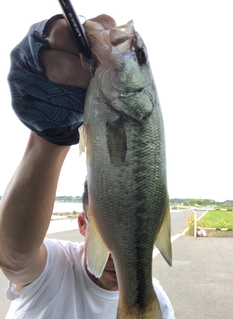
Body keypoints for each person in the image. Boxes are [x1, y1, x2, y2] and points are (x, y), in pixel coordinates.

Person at [0, 13, 175, 319]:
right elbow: (13, 259)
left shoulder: (156, 300)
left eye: (140, 56)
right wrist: (50, 138)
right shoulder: (53, 270)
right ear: (85, 224)